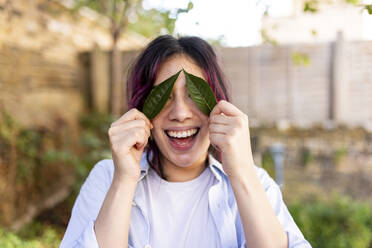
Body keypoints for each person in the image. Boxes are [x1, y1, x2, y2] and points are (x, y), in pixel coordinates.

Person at [60, 35, 311, 248]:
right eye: (164, 96)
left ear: (218, 105)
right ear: (143, 109)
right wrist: (124, 179)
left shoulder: (257, 184)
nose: (180, 113)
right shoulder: (107, 179)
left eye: (194, 95)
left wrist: (242, 173)